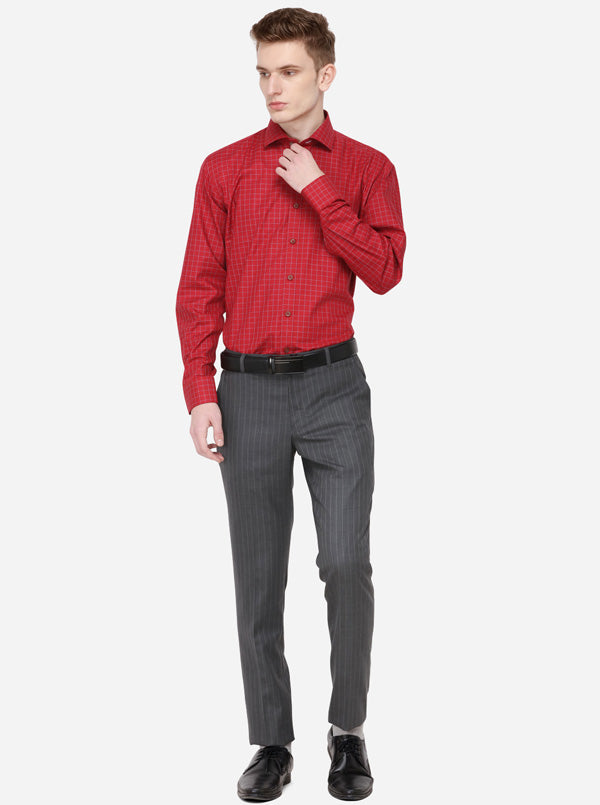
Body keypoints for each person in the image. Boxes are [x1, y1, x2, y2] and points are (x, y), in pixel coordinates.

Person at [175, 7, 406, 801]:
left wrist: (320, 193)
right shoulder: (224, 169)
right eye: (263, 73)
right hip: (247, 392)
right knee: (258, 573)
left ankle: (348, 728)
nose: (272, 87)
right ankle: (272, 740)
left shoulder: (368, 167)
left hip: (335, 387)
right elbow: (199, 286)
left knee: (345, 561)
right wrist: (200, 390)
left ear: (325, 75)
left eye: (289, 71)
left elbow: (386, 271)